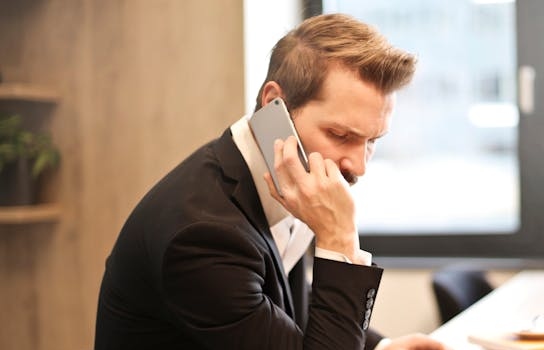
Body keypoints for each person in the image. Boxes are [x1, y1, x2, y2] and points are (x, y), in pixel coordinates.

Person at [94, 13, 446, 350]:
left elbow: (288, 303)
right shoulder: (202, 236)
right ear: (274, 104)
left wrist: (377, 346)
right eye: (340, 134)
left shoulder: (285, 177)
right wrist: (338, 239)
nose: (359, 165)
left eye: (372, 142)